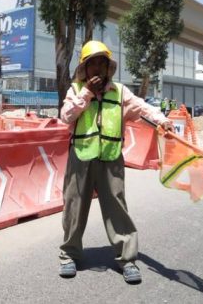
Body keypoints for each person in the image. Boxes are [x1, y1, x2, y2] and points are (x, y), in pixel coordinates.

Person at [58, 40, 173, 284]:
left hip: (111, 158)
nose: (97, 68)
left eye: (102, 63)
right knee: (74, 207)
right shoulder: (75, 90)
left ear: (108, 68)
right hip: (81, 156)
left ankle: (127, 259)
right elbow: (66, 116)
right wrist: (87, 93)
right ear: (85, 68)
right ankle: (69, 254)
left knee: (117, 208)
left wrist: (162, 120)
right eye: (92, 63)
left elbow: (143, 109)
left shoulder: (120, 92)